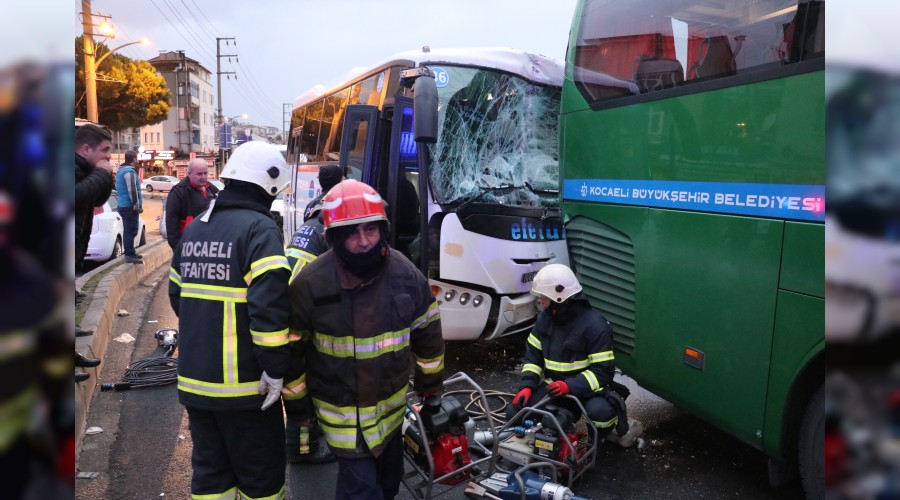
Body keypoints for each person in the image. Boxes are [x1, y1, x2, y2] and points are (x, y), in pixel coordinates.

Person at [288, 179, 445, 500]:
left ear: (382, 230)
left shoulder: (406, 275)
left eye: (370, 231)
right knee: (361, 490)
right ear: (334, 237)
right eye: (351, 233)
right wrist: (299, 408)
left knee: (388, 485)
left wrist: (432, 393)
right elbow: (291, 352)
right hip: (343, 423)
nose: (362, 242)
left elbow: (428, 337)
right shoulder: (311, 283)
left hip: (390, 419)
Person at [168, 142, 292, 499]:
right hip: (245, 390)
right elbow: (268, 309)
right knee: (261, 481)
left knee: (211, 478)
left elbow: (178, 297)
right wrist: (275, 368)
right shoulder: (260, 229)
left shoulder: (195, 230)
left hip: (196, 385)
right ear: (267, 187)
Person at [509, 263, 629, 443]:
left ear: (559, 298)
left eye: (543, 297)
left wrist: (570, 386)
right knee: (515, 412)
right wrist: (527, 385)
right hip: (555, 388)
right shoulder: (545, 320)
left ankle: (596, 442)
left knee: (601, 414)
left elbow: (603, 372)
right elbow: (533, 358)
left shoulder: (595, 326)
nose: (540, 301)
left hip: (589, 392)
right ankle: (544, 438)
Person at [281, 175, 335, 465]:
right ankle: (304, 451)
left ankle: (302, 444)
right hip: (299, 313)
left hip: (287, 307)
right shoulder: (327, 234)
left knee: (296, 384)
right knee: (300, 389)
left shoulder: (307, 227)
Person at [74, 123, 113, 272]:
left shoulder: (88, 170)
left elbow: (98, 200)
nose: (109, 156)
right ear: (86, 149)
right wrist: (101, 173)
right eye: (105, 150)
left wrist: (107, 176)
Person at [165, 158, 219, 251]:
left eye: (205, 173)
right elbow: (171, 224)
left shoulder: (211, 189)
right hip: (188, 245)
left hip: (210, 244)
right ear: (189, 174)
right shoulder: (179, 192)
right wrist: (178, 249)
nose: (203, 177)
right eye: (199, 174)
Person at [115, 150, 143, 264]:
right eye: (136, 159)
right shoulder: (129, 172)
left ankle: (131, 252)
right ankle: (129, 255)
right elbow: (132, 189)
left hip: (123, 205)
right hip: (129, 207)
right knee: (131, 231)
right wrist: (136, 205)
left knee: (129, 230)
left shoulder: (120, 171)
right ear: (134, 159)